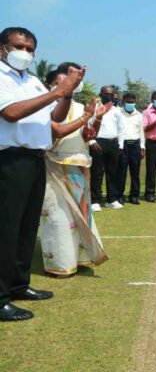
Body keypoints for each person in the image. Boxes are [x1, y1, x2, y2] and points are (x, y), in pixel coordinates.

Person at [0, 26, 83, 322]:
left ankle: (19, 285)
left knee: (26, 226)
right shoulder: (1, 77)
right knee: (6, 229)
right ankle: (0, 299)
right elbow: (10, 113)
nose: (25, 53)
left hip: (34, 158)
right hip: (9, 159)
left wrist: (67, 96)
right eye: (18, 46)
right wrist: (58, 91)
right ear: (2, 48)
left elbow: (53, 120)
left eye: (30, 49)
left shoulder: (32, 80)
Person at [41, 63, 109, 277]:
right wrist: (85, 117)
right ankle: (60, 264)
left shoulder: (81, 107)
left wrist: (96, 120)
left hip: (78, 167)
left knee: (81, 214)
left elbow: (87, 137)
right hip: (53, 165)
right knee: (58, 218)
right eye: (62, 83)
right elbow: (55, 134)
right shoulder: (46, 106)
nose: (68, 85)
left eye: (72, 81)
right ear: (51, 85)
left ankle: (81, 257)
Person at [90, 85, 123, 210]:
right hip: (98, 142)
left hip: (113, 143)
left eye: (110, 94)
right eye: (106, 94)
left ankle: (111, 199)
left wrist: (120, 145)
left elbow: (121, 129)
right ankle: (95, 200)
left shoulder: (116, 110)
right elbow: (89, 124)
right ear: (100, 95)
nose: (108, 96)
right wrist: (92, 141)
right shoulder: (94, 108)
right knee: (97, 172)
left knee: (112, 172)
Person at [117, 92, 145, 205]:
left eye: (132, 102)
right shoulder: (118, 113)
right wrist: (119, 146)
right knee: (121, 172)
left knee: (135, 172)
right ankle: (120, 195)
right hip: (122, 146)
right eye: (128, 102)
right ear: (123, 102)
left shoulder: (139, 115)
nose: (130, 104)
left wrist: (142, 147)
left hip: (135, 145)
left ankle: (134, 196)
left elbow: (141, 132)